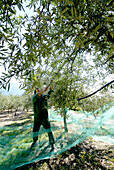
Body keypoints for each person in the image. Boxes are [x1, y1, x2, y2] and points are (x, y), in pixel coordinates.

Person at [31, 86, 55, 151]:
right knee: (35, 131)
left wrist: (51, 89)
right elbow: (37, 95)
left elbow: (49, 95)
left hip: (44, 118)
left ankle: (52, 144)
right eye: (37, 90)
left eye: (39, 90)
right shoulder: (34, 98)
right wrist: (43, 90)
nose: (39, 91)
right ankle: (34, 142)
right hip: (37, 119)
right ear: (35, 93)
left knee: (49, 131)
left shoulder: (44, 98)